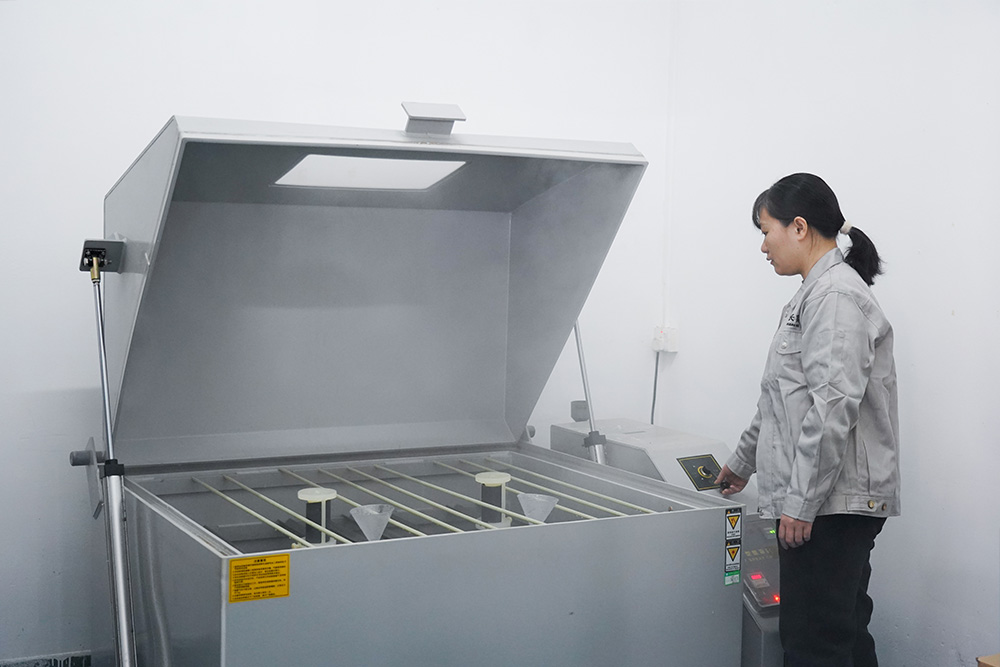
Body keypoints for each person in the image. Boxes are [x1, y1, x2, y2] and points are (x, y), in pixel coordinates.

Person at [715, 173, 900, 667]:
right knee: (842, 635)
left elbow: (832, 408)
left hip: (829, 506)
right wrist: (741, 463)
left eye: (765, 231)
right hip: (824, 502)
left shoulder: (835, 296)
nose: (763, 246)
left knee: (813, 643)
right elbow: (778, 400)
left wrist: (799, 505)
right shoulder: (811, 296)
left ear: (799, 227)